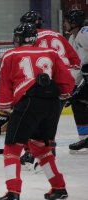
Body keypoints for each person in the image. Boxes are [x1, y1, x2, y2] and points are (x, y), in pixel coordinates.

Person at [0, 23, 74, 200]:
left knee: (12, 149)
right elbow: (67, 83)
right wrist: (59, 95)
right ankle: (59, 188)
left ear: (19, 38)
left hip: (28, 103)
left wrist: (2, 112)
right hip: (51, 104)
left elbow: (5, 87)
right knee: (41, 148)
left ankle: (13, 192)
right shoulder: (51, 53)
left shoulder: (10, 55)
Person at [18, 10, 81, 164]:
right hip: (64, 85)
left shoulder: (30, 37)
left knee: (31, 118)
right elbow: (75, 61)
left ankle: (31, 153)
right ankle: (48, 150)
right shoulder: (57, 35)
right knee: (50, 120)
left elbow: (31, 64)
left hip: (44, 85)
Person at [63, 9, 88, 153]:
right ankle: (84, 138)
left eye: (66, 22)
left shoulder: (85, 33)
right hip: (86, 77)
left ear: (74, 22)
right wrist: (70, 87)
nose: (64, 24)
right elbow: (77, 66)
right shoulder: (72, 39)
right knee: (77, 101)